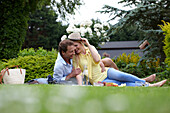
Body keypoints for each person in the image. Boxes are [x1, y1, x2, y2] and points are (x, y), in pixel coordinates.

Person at [68, 32, 167, 87]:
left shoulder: (90, 48)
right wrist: (81, 85)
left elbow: (97, 60)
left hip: (106, 72)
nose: (75, 48)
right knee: (122, 84)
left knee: (124, 76)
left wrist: (88, 44)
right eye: (73, 47)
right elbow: (79, 73)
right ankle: (149, 85)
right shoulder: (76, 58)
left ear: (81, 43)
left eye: (76, 45)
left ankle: (144, 81)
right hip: (98, 80)